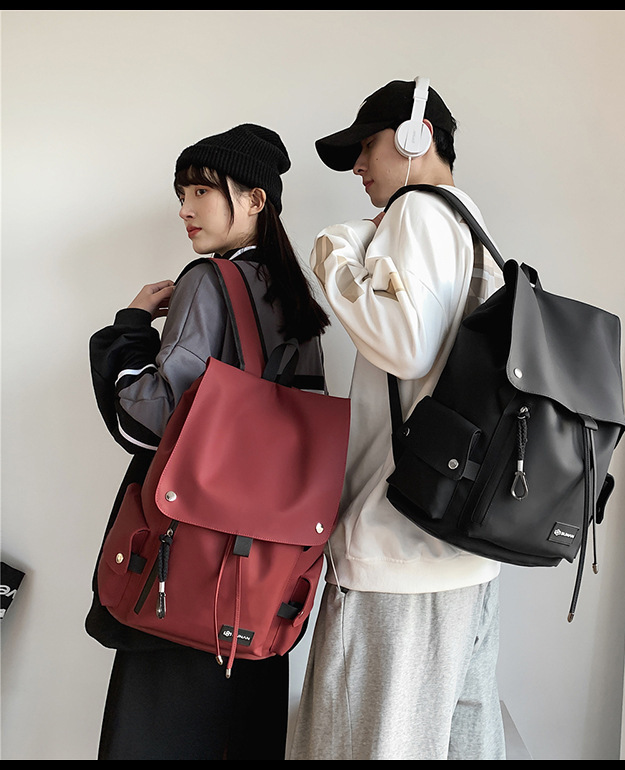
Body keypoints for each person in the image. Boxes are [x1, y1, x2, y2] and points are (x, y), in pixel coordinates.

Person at [86, 124, 329, 760]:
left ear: (255, 200)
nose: (185, 209)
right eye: (182, 193)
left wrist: (129, 329)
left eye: (201, 190)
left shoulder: (209, 279)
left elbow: (146, 421)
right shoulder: (294, 295)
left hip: (189, 563)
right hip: (261, 576)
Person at [289, 78, 507, 761]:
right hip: (466, 554)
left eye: (367, 146)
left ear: (417, 136)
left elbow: (404, 344)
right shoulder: (474, 230)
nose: (357, 166)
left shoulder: (415, 211)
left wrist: (335, 248)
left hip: (397, 552)